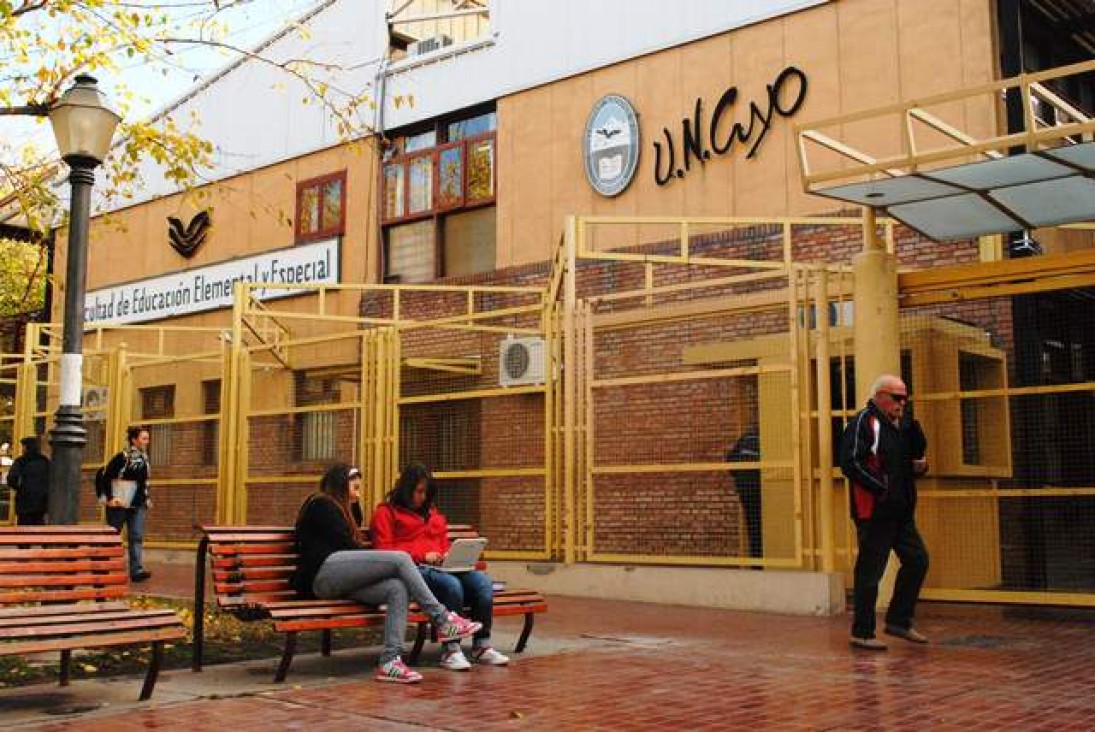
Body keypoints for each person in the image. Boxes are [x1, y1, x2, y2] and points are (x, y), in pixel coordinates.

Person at [291, 463, 483, 684]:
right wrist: (379, 565)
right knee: (400, 558)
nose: (358, 493)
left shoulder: (347, 509)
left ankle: (391, 661)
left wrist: (375, 565)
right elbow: (345, 546)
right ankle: (442, 619)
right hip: (322, 575)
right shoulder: (321, 504)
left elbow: (353, 549)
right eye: (354, 487)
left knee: (396, 588)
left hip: (344, 576)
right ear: (341, 485)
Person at [371, 462, 509, 671]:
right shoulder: (386, 512)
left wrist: (448, 556)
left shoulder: (432, 513)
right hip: (415, 570)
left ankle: (482, 645)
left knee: (483, 583)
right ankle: (451, 649)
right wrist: (423, 556)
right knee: (451, 585)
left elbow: (441, 541)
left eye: (427, 493)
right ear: (406, 489)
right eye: (419, 492)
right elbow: (385, 552)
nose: (423, 497)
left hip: (442, 566)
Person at [840, 374, 929, 650]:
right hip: (875, 512)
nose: (902, 403)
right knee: (870, 572)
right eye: (897, 397)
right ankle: (862, 632)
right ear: (880, 395)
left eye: (905, 398)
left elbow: (913, 457)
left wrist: (920, 467)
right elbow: (850, 462)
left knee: (917, 560)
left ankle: (899, 621)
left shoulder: (901, 426)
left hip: (901, 512)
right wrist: (883, 489)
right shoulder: (864, 422)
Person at [97, 425, 153, 582]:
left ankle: (137, 570)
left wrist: (146, 498)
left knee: (136, 536)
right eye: (143, 438)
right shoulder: (121, 457)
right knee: (113, 535)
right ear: (134, 440)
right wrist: (110, 498)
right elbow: (106, 477)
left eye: (147, 438)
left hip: (137, 503)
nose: (146, 442)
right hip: (119, 502)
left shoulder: (144, 459)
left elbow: (144, 482)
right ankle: (105, 567)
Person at [727, 426, 762, 560]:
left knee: (753, 527)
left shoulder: (745, 438)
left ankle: (757, 562)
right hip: (763, 489)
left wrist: (741, 477)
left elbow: (730, 462)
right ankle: (763, 561)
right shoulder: (767, 440)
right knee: (762, 527)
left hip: (746, 489)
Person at [6, 436, 50, 525]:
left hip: (24, 502)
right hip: (41, 502)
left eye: (23, 446)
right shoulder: (44, 461)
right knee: (39, 527)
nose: (22, 449)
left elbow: (11, 478)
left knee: (24, 528)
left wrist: (19, 488)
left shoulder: (21, 461)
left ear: (26, 447)